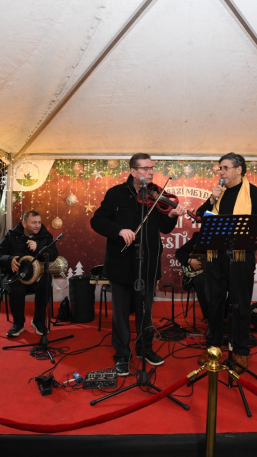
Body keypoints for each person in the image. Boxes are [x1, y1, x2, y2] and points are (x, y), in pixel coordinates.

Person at [90, 153, 186, 376]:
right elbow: (97, 221)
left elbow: (164, 228)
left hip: (148, 263)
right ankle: (122, 355)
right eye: (145, 168)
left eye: (151, 168)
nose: (150, 172)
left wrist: (172, 215)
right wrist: (118, 230)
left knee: (145, 312)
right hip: (121, 263)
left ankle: (145, 349)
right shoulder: (115, 194)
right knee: (121, 314)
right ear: (133, 171)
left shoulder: (157, 195)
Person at [194, 153, 257, 373]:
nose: (221, 172)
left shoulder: (253, 193)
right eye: (220, 168)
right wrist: (211, 200)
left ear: (239, 169)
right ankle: (213, 347)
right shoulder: (218, 193)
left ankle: (240, 350)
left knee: (240, 305)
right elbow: (199, 216)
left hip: (241, 258)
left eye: (225, 168)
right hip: (216, 257)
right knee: (215, 304)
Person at [0, 210, 58, 338]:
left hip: (37, 277)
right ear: (24, 224)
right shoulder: (11, 235)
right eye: (33, 223)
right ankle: (18, 324)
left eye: (39, 222)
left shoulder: (45, 236)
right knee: (15, 286)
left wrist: (38, 248)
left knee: (45, 282)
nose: (37, 226)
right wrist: (9, 260)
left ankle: (38, 321)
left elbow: (54, 255)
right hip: (16, 275)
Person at [175, 231, 210, 321]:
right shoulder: (199, 236)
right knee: (201, 281)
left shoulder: (225, 238)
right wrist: (189, 260)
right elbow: (179, 252)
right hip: (200, 274)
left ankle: (225, 315)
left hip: (217, 273)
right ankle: (209, 316)